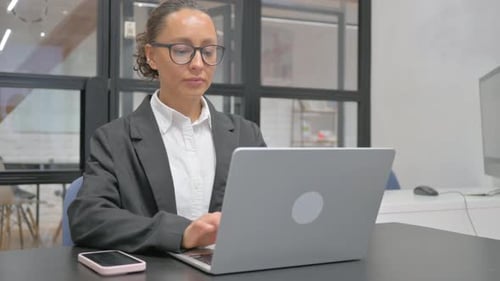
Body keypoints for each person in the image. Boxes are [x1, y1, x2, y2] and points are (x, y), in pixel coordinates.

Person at [68, 0, 266, 254]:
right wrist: (181, 234)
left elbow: (268, 208)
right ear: (151, 56)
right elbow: (88, 219)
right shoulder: (114, 139)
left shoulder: (245, 134)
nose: (198, 64)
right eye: (182, 50)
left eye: (208, 51)